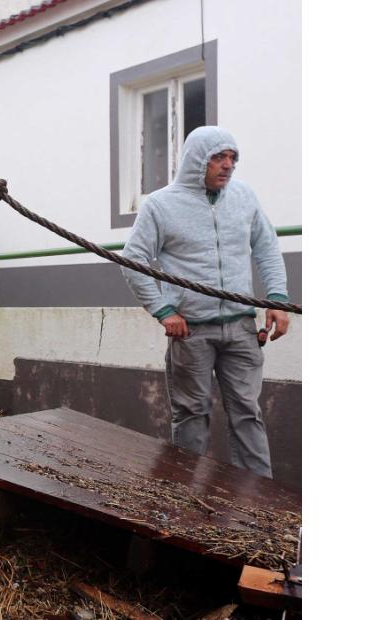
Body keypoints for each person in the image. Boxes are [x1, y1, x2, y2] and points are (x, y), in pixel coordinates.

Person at [121, 126, 290, 479]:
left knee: (247, 411)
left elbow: (267, 247)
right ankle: (184, 497)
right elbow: (134, 260)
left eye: (233, 158)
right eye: (219, 157)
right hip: (191, 332)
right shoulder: (160, 204)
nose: (228, 165)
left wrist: (277, 298)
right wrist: (163, 310)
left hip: (242, 327)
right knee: (192, 412)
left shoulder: (244, 197)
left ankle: (260, 501)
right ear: (196, 159)